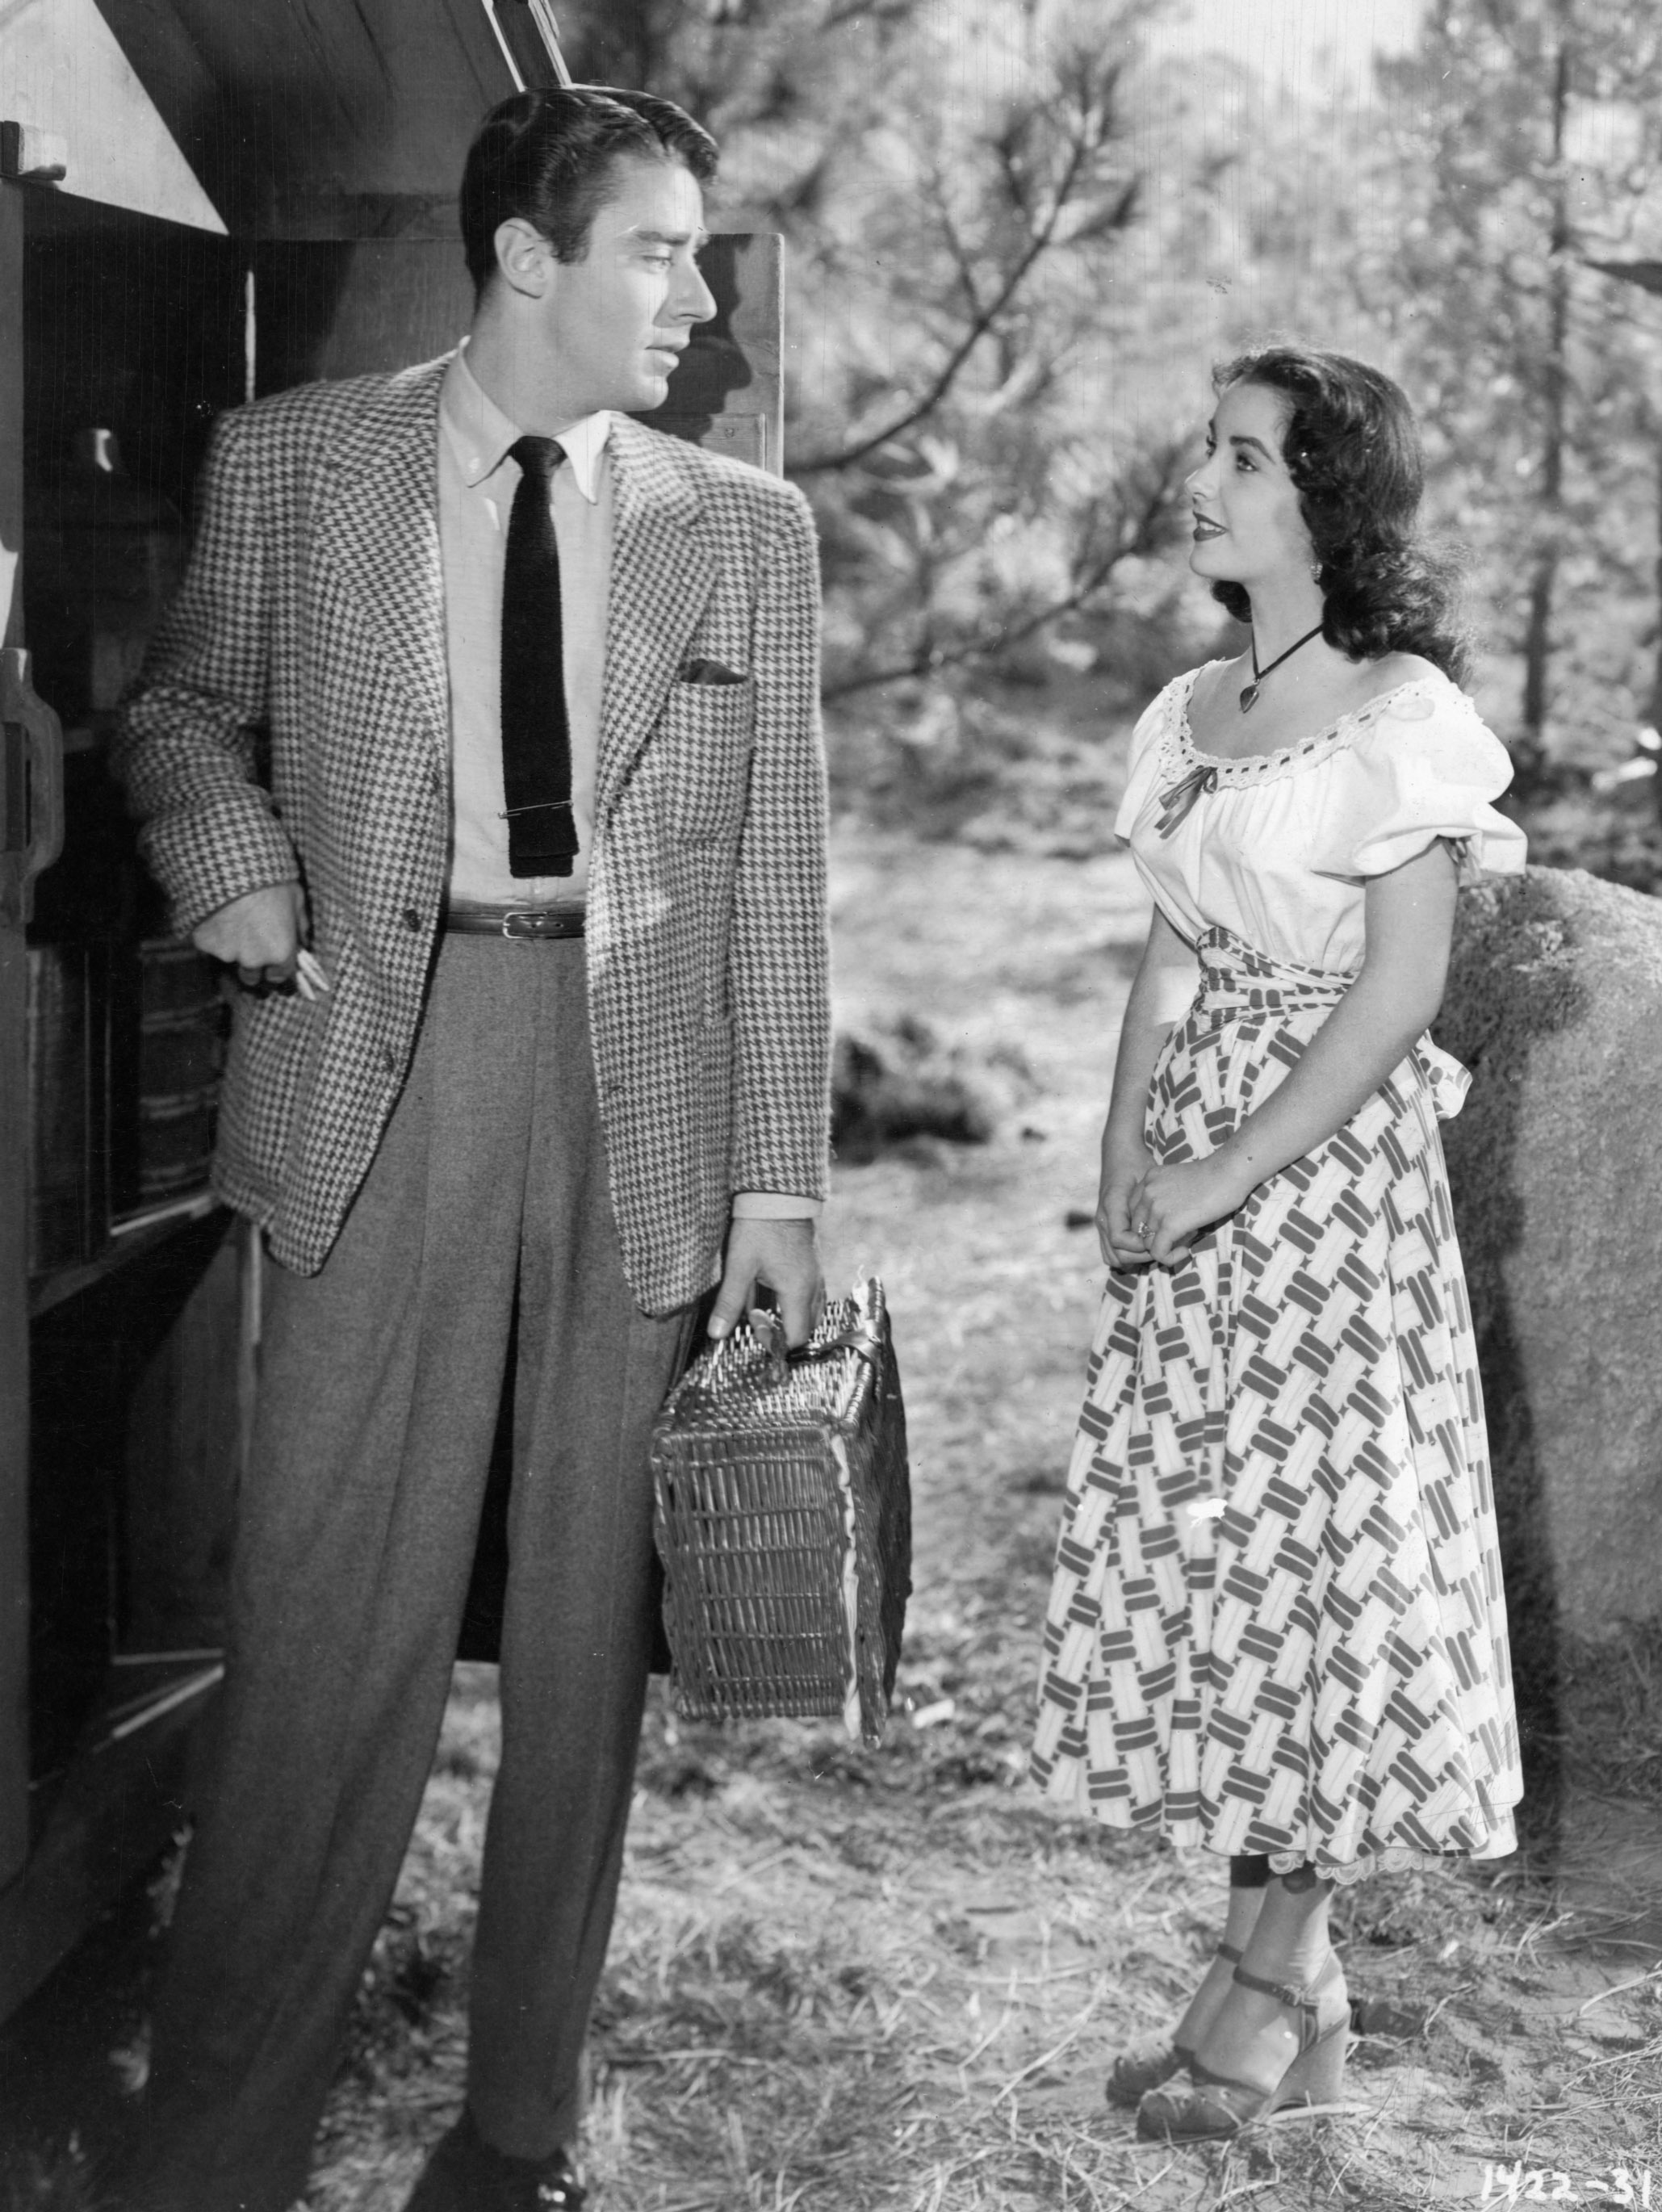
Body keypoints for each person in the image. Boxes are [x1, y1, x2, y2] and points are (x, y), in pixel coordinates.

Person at [110, 86, 830, 2212]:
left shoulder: (742, 526)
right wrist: (238, 869)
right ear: (526, 257)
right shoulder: (297, 463)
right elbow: (179, 712)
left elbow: (780, 876)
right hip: (377, 1065)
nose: (696, 300)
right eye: (657, 251)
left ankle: (514, 2136)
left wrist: (779, 1177)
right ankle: (212, 2145)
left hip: (645, 1101)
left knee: (587, 1643)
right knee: (327, 1620)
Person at [1030, 344, 1525, 2142]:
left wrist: (1229, 1166)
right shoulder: (1189, 716)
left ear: (1330, 501)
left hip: (1324, 1177)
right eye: (1212, 446)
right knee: (1238, 1567)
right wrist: (1124, 1147)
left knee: (1328, 1572)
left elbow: (1397, 990)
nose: (1206, 478)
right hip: (1199, 1168)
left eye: (1246, 456)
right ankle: (1279, 1981)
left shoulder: (1400, 717)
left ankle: (1270, 1981)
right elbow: (1173, 951)